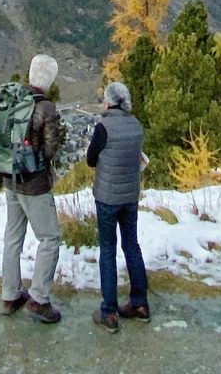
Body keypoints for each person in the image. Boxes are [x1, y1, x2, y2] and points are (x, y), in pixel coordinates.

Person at [0, 54, 66, 324]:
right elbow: (50, 149)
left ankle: (10, 294)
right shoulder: (46, 108)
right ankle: (39, 298)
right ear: (49, 80)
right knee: (49, 238)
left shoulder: (11, 99)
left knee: (13, 236)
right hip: (35, 184)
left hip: (10, 178)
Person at [84, 80, 149, 331]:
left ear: (109, 101)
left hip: (107, 197)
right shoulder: (136, 126)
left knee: (108, 249)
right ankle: (140, 302)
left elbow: (91, 160)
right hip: (130, 196)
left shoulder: (103, 127)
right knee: (132, 246)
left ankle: (109, 312)